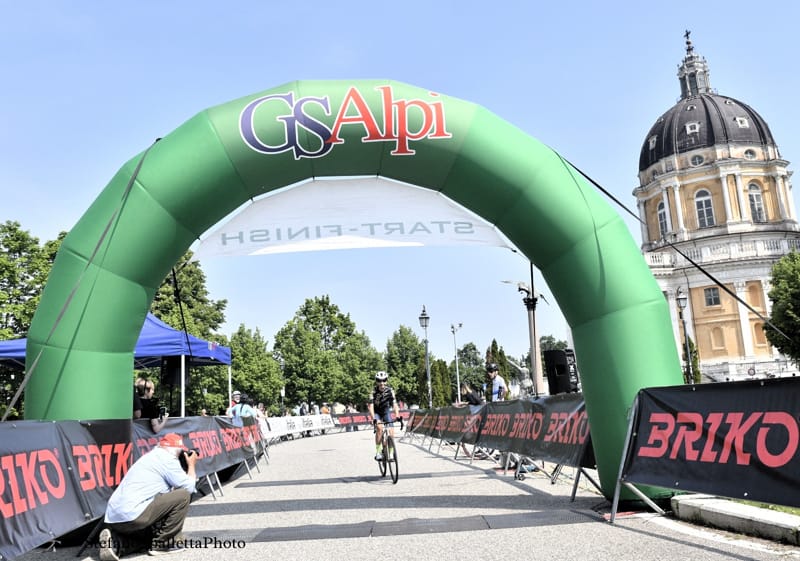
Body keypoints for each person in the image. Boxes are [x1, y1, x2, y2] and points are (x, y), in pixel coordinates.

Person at [98, 433, 198, 559]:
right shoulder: (167, 459)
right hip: (134, 516)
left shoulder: (149, 457)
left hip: (114, 518)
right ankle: (163, 544)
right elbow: (188, 488)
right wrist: (192, 465)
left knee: (152, 536)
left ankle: (117, 544)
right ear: (175, 451)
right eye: (180, 453)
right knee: (182, 496)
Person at [368, 371, 400, 461]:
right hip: (377, 412)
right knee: (379, 428)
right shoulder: (373, 392)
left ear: (386, 380)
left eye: (384, 380)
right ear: (376, 381)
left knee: (391, 432)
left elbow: (394, 404)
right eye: (379, 381)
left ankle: (390, 454)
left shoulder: (390, 391)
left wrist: (397, 415)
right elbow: (371, 406)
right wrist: (373, 418)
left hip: (386, 411)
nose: (382, 383)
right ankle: (378, 452)